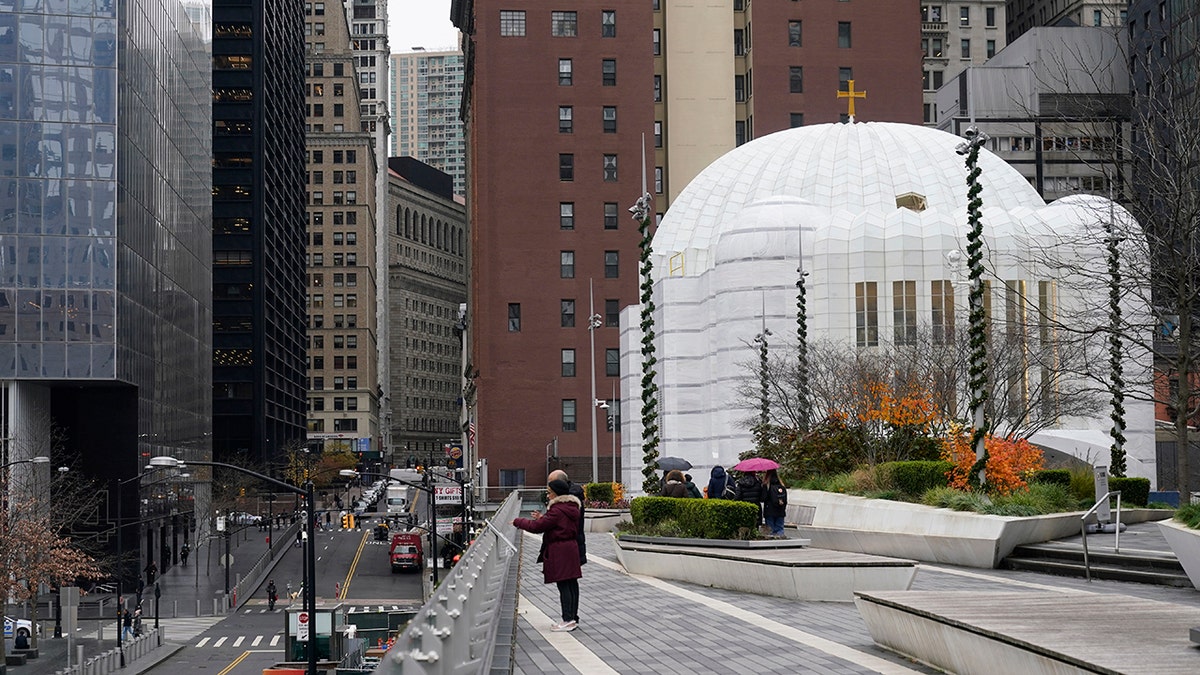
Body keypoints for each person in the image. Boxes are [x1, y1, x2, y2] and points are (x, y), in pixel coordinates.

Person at [512, 478, 582, 632]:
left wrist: (518, 521)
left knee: (564, 585)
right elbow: (559, 525)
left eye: (549, 493)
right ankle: (573, 618)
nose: (548, 496)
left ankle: (567, 620)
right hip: (571, 548)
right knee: (571, 584)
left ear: (556, 494)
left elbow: (537, 527)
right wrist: (544, 518)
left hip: (560, 551)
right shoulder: (571, 507)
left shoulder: (557, 510)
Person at [547, 469, 586, 567]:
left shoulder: (568, 502)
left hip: (568, 549)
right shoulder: (572, 498)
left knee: (567, 579)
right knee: (569, 579)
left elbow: (559, 521)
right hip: (571, 547)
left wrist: (520, 522)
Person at [762, 468, 788, 538]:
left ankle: (771, 545)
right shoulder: (781, 485)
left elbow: (763, 498)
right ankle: (780, 544)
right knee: (780, 529)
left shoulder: (766, 485)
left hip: (769, 510)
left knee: (770, 531)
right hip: (780, 511)